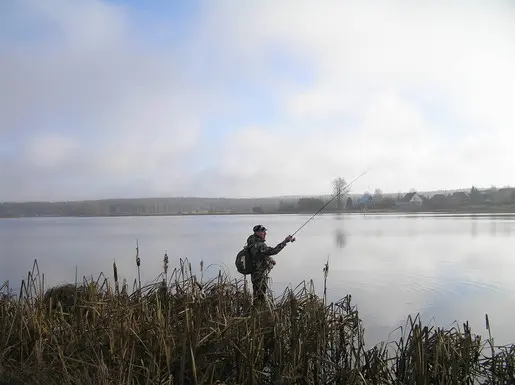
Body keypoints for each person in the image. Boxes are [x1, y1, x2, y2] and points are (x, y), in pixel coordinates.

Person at [246, 224, 295, 305]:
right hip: (259, 274)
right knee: (260, 294)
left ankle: (256, 311)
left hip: (254, 272)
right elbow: (273, 251)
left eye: (265, 232)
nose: (265, 233)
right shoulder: (259, 245)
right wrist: (285, 241)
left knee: (257, 293)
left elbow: (261, 255)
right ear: (257, 232)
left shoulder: (251, 241)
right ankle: (258, 312)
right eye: (263, 232)